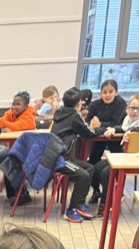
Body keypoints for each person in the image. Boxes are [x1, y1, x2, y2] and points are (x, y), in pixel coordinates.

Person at [37, 87, 96, 223]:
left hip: (57, 156)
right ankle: (71, 210)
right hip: (57, 159)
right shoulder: (74, 116)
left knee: (89, 168)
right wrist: (96, 128)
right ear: (79, 103)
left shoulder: (60, 112)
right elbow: (88, 133)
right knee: (83, 175)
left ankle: (79, 204)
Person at [90, 91, 139, 209]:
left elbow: (138, 129)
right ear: (128, 108)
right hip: (124, 157)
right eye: (132, 108)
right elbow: (123, 128)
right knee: (96, 167)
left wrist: (132, 131)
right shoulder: (127, 120)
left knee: (106, 173)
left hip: (137, 160)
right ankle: (102, 194)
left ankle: (106, 202)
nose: (135, 111)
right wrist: (114, 129)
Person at [86, 78, 127, 165]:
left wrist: (100, 124)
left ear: (116, 92)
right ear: (101, 93)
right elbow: (87, 120)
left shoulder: (122, 103)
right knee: (93, 159)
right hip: (98, 136)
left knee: (118, 161)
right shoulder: (94, 104)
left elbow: (116, 122)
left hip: (115, 136)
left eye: (111, 92)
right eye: (104, 92)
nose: (107, 95)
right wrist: (92, 123)